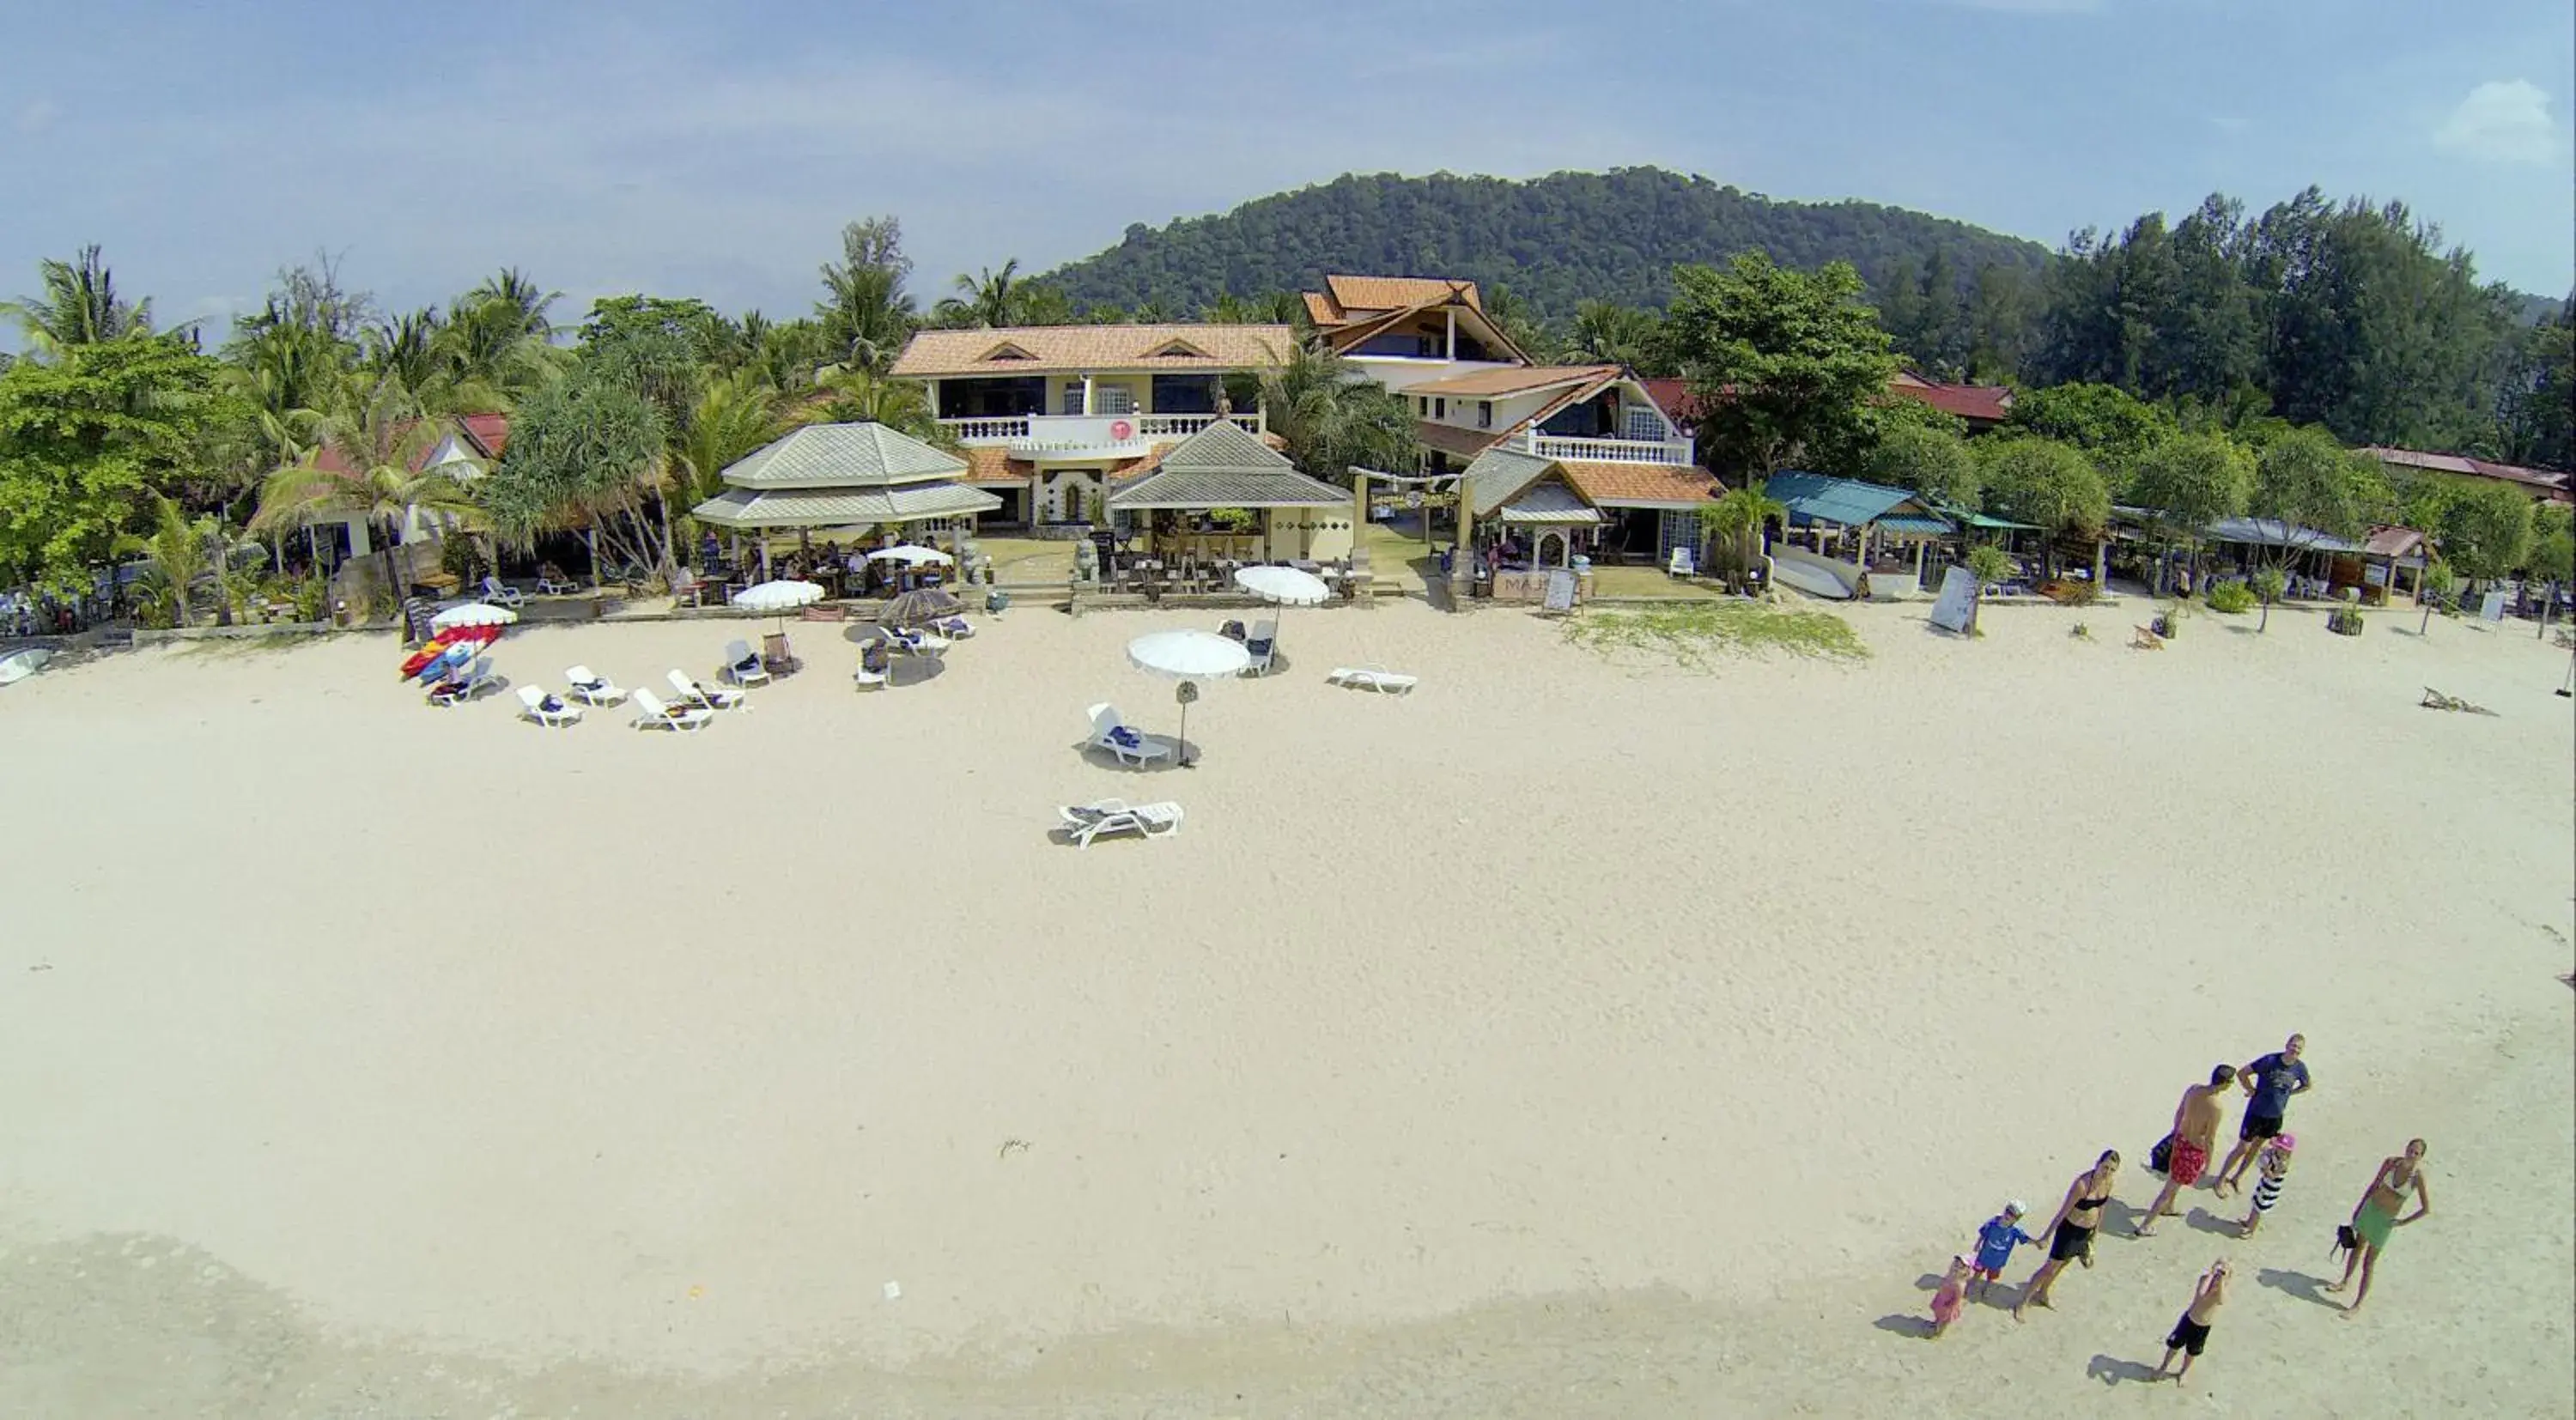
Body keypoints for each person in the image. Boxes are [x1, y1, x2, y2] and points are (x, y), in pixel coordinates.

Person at [2330, 1138, 2431, 1314]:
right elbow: (2374, 1185)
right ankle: (2345, 1281)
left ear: (2421, 1157)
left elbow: (2426, 1209)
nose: (2412, 1154)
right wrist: (2360, 1207)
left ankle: (2357, 1305)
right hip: (2371, 1209)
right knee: (2357, 1248)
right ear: (2406, 1148)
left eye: (2416, 1153)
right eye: (2411, 1150)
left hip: (2385, 1221)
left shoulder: (2417, 1177)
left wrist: (2402, 1222)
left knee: (2369, 1263)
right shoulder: (2391, 1163)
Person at [2014, 1150, 2119, 1320]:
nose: (2107, 1172)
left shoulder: (2109, 1183)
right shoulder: (2082, 1185)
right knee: (2049, 1268)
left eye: (2112, 1169)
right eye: (2105, 1167)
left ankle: (2043, 1293)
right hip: (2069, 1231)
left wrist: (2095, 1234)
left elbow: (2101, 1208)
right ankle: (2022, 1302)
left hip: (2085, 1232)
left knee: (2064, 1265)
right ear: (2097, 1164)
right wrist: (2046, 1235)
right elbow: (2063, 1212)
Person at [2136, 1065, 2237, 1237]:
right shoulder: (2216, 1108)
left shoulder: (2193, 1089)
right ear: (2225, 1084)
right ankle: (2146, 1225)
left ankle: (2169, 1207)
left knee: (2176, 1179)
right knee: (2171, 1186)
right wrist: (2208, 1164)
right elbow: (2210, 1139)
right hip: (2194, 1148)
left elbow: (2179, 1113)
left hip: (2181, 1139)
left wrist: (2175, 1134)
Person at [2215, 1034, 2312, 1197]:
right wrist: (2251, 1090)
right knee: (2242, 1148)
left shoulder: (2300, 1068)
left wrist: (2290, 1093)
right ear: (2287, 1044)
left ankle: (2237, 1178)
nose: (2294, 1050)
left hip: (2275, 1116)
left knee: (2256, 1148)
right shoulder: (2269, 1061)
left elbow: (2307, 1085)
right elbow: (2242, 1073)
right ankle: (2220, 1179)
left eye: (2298, 1048)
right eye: (2293, 1045)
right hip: (2256, 1112)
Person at [2151, 1259, 2231, 1386]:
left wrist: (2221, 1280)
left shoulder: (2222, 1291)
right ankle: (2163, 1367)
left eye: (2222, 1273)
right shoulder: (2205, 1280)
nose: (2218, 1276)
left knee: (2191, 1353)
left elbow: (2221, 1300)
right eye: (2218, 1272)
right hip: (2189, 1319)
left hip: (2203, 1327)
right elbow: (2201, 1293)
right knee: (2174, 1346)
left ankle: (2183, 1372)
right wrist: (2212, 1273)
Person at [1970, 1201, 2035, 1302]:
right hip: (1984, 1255)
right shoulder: (1993, 1222)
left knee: (1992, 1276)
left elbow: (2025, 1239)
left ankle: (1988, 1287)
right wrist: (1978, 1244)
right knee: (1978, 1271)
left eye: (2013, 1215)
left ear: (2017, 1219)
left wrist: (2037, 1242)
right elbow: (1984, 1233)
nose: (2009, 1215)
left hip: (1998, 1261)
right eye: (2008, 1211)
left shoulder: (2015, 1230)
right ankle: (1973, 1283)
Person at [2236, 1133, 2296, 1237]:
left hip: (2270, 1189)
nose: (2280, 1150)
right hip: (2264, 1184)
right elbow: (2269, 1147)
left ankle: (2251, 1230)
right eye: (2279, 1147)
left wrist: (2265, 1169)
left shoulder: (2283, 1164)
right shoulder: (2275, 1153)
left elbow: (2273, 1176)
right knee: (2255, 1204)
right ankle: (2248, 1222)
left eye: (2283, 1149)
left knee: (2258, 1210)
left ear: (2288, 1152)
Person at [1929, 1254, 1972, 1338]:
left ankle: (1939, 1334)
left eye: (1960, 1268)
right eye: (1955, 1264)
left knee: (1945, 1321)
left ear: (1965, 1272)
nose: (1956, 1268)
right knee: (1938, 1314)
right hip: (1941, 1298)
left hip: (1949, 1306)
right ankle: (1936, 1322)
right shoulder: (1949, 1275)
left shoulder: (1960, 1284)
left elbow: (1958, 1298)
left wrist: (1950, 1306)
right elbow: (1944, 1283)